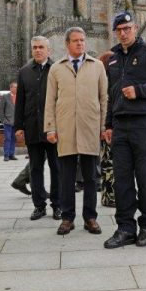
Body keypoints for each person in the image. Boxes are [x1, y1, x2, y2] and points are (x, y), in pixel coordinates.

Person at [103, 12, 146, 249]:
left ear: (135, 28)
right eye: (119, 29)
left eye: (127, 28)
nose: (123, 33)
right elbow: (112, 95)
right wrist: (109, 124)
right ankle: (125, 228)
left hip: (145, 124)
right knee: (122, 179)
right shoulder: (113, 59)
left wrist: (140, 91)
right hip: (121, 126)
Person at [45, 27, 108, 235]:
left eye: (82, 40)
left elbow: (104, 98)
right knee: (66, 177)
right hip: (65, 129)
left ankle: (90, 217)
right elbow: (50, 101)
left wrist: (104, 126)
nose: (80, 43)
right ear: (67, 44)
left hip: (90, 127)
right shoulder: (56, 68)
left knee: (91, 177)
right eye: (75, 41)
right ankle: (67, 218)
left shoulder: (97, 66)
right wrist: (50, 128)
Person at [14, 36, 61, 221]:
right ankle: (39, 205)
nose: (38, 50)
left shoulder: (57, 69)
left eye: (41, 47)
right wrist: (18, 126)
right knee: (35, 168)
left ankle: (57, 205)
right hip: (33, 127)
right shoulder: (25, 72)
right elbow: (21, 102)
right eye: (35, 47)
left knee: (56, 168)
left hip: (53, 129)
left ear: (49, 50)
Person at [98, 51, 117, 207]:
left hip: (107, 127)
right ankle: (110, 197)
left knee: (107, 164)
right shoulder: (106, 81)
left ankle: (108, 196)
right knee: (109, 164)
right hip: (108, 127)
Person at [0, 82, 18, 161]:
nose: (16, 89)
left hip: (16, 122)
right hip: (7, 121)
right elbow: (1, 109)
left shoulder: (19, 97)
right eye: (15, 87)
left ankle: (11, 154)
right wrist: (3, 119)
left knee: (14, 138)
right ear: (11, 88)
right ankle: (6, 155)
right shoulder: (5, 97)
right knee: (7, 138)